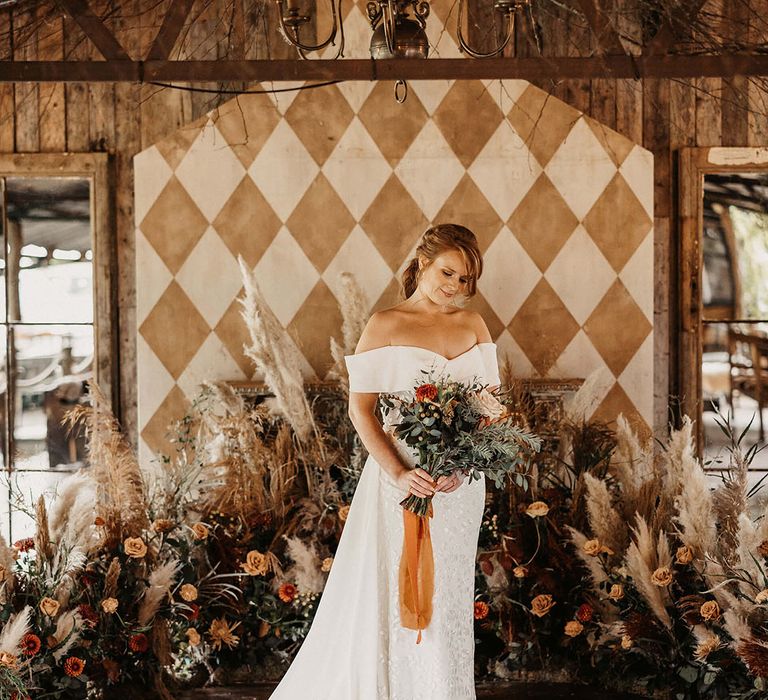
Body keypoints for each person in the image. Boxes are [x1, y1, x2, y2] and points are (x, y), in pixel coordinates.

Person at [269, 224, 500, 700]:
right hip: (403, 478)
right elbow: (361, 409)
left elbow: (489, 407)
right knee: (403, 589)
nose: (453, 287)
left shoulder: (473, 325)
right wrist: (398, 472)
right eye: (447, 272)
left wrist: (462, 464)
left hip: (459, 484)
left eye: (464, 280)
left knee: (448, 595)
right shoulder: (384, 323)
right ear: (421, 261)